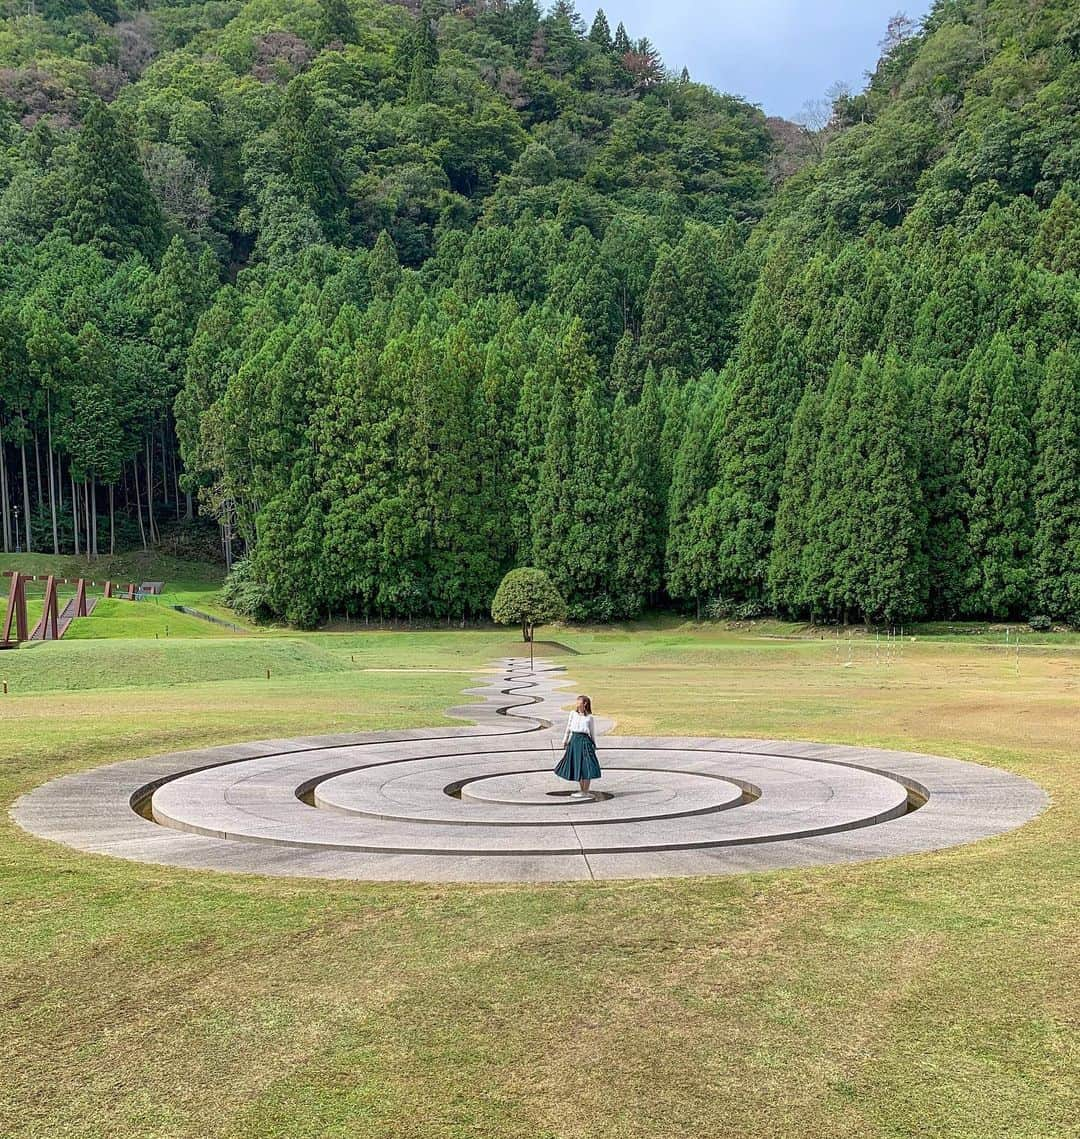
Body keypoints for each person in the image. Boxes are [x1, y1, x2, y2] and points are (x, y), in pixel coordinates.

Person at [555, 695, 601, 798]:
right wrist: (565, 740)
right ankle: (581, 790)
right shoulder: (572, 714)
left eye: (579, 701)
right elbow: (568, 728)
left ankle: (586, 791)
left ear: (585, 703)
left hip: (585, 741)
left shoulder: (589, 717)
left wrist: (594, 744)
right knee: (577, 765)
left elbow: (592, 732)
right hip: (574, 741)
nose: (577, 703)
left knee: (586, 766)